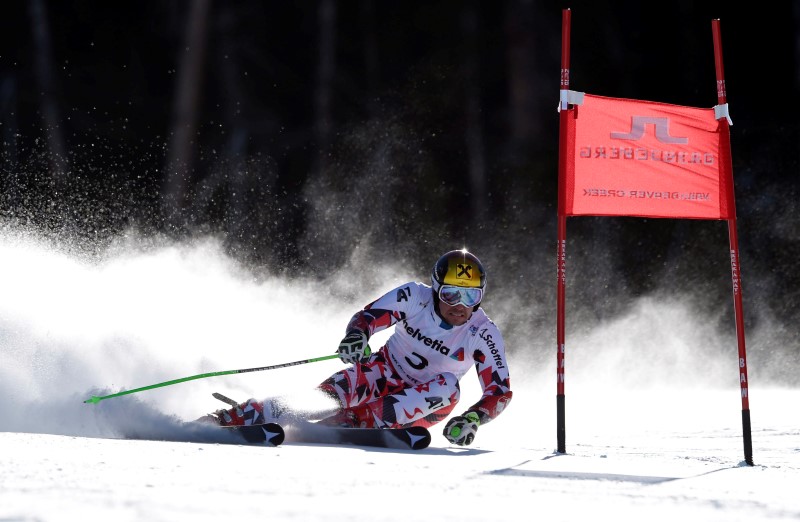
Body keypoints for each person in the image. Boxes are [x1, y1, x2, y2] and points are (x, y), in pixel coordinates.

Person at [207, 249, 512, 446]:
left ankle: (349, 423)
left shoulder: (482, 332)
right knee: (318, 399)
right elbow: (369, 317)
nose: (460, 307)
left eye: (471, 297)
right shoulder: (414, 296)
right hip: (381, 373)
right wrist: (357, 337)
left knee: (449, 386)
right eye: (451, 295)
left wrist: (472, 418)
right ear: (435, 289)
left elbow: (498, 391)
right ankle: (227, 419)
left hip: (426, 403)